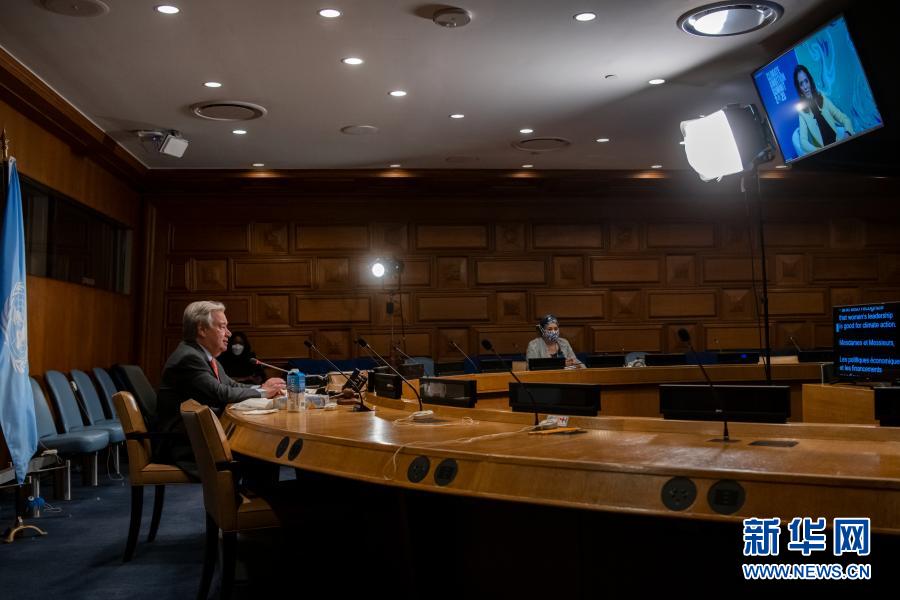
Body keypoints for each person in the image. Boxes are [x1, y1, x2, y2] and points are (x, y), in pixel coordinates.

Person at [155, 301, 285, 470]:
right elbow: (222, 393)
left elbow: (231, 385)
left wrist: (262, 387)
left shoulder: (204, 355)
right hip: (186, 443)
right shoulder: (189, 357)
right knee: (262, 449)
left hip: (199, 434)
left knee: (261, 445)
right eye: (222, 327)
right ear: (202, 330)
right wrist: (264, 392)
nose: (228, 333)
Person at [794, 64, 855, 155]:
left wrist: (847, 134)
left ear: (810, 81)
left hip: (839, 146)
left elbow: (844, 118)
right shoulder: (802, 112)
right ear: (799, 88)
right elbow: (803, 142)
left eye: (806, 81)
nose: (805, 87)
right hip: (826, 154)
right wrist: (819, 151)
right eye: (801, 84)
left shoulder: (822, 98)